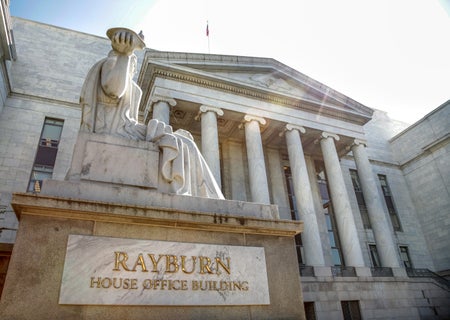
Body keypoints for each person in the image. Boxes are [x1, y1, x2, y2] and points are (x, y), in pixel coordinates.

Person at [79, 28, 224, 199]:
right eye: (132, 62)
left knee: (185, 141)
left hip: (127, 130)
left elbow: (129, 121)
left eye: (133, 62)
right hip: (114, 131)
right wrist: (124, 55)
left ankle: (209, 198)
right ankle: (205, 197)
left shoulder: (131, 85)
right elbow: (114, 90)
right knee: (182, 144)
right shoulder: (110, 65)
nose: (133, 66)